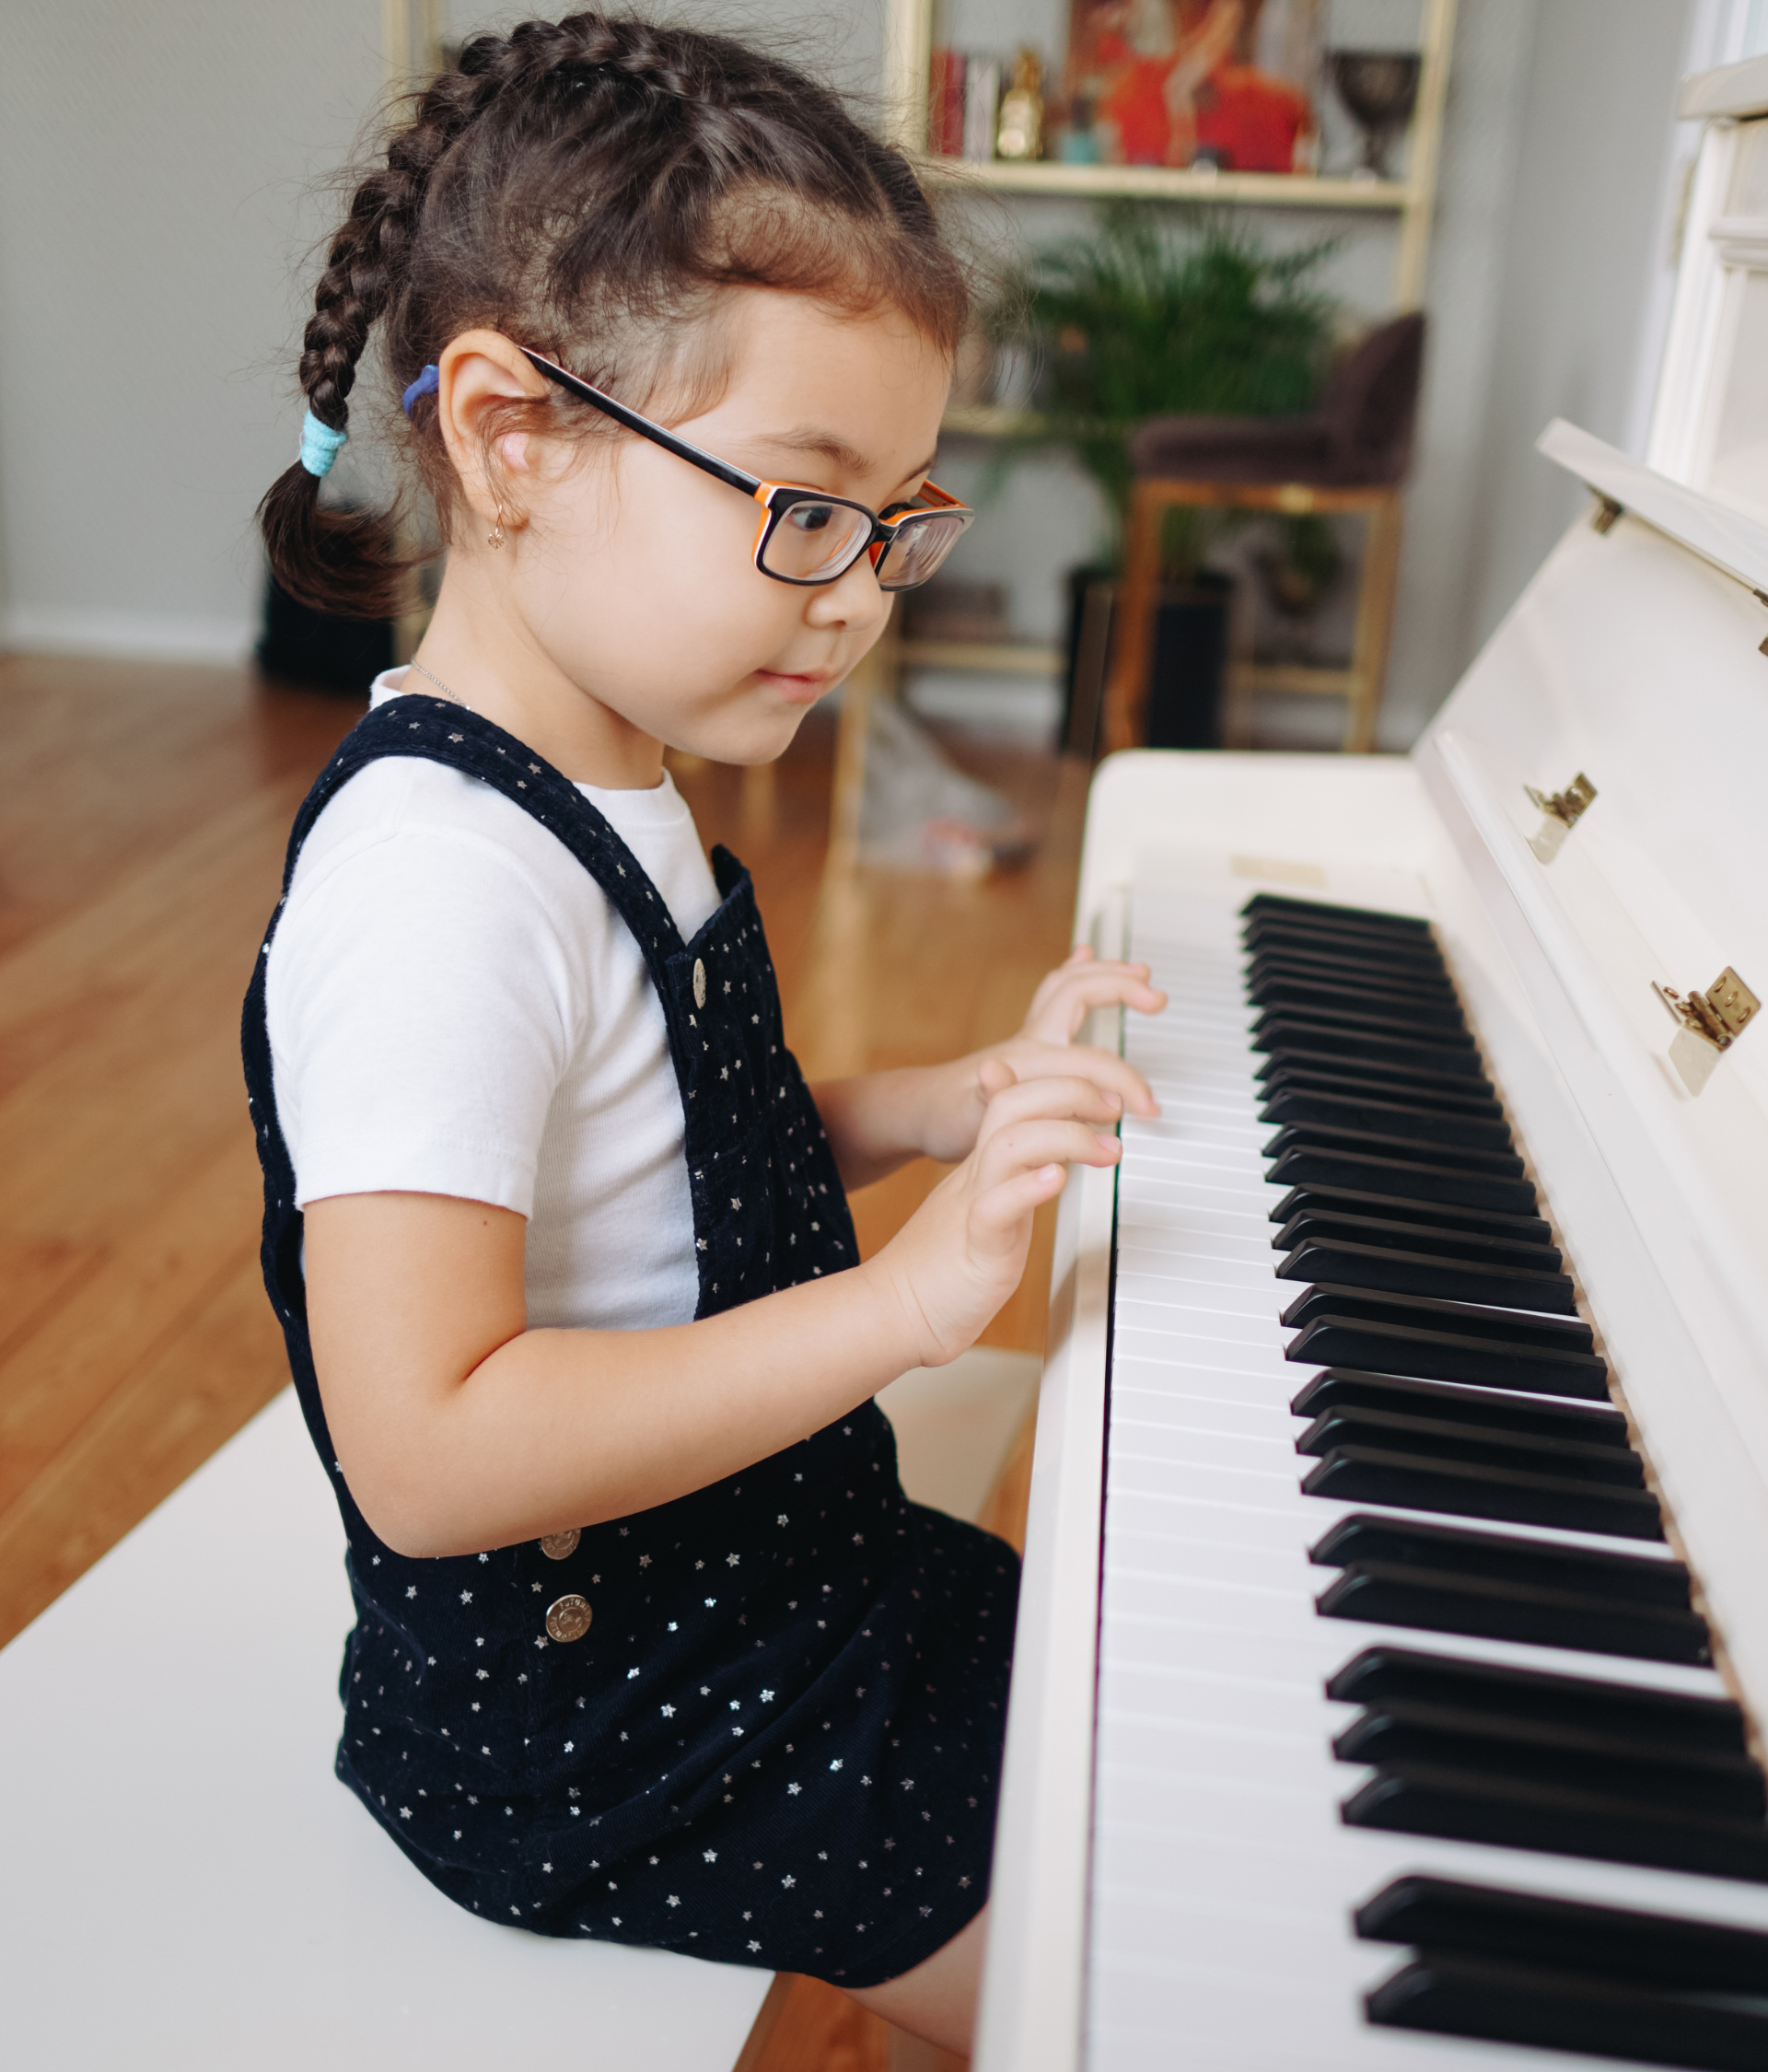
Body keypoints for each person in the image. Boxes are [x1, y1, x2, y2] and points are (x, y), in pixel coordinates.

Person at [246, 13, 1164, 2054]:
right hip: (614, 1724)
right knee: (1155, 1975)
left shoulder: (615, 772)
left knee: (1158, 1712)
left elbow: (661, 1148)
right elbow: (427, 1450)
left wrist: (925, 1106)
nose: (855, 598)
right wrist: (914, 1310)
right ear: (506, 436)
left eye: (895, 522)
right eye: (801, 506)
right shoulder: (434, 889)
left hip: (771, 1579)